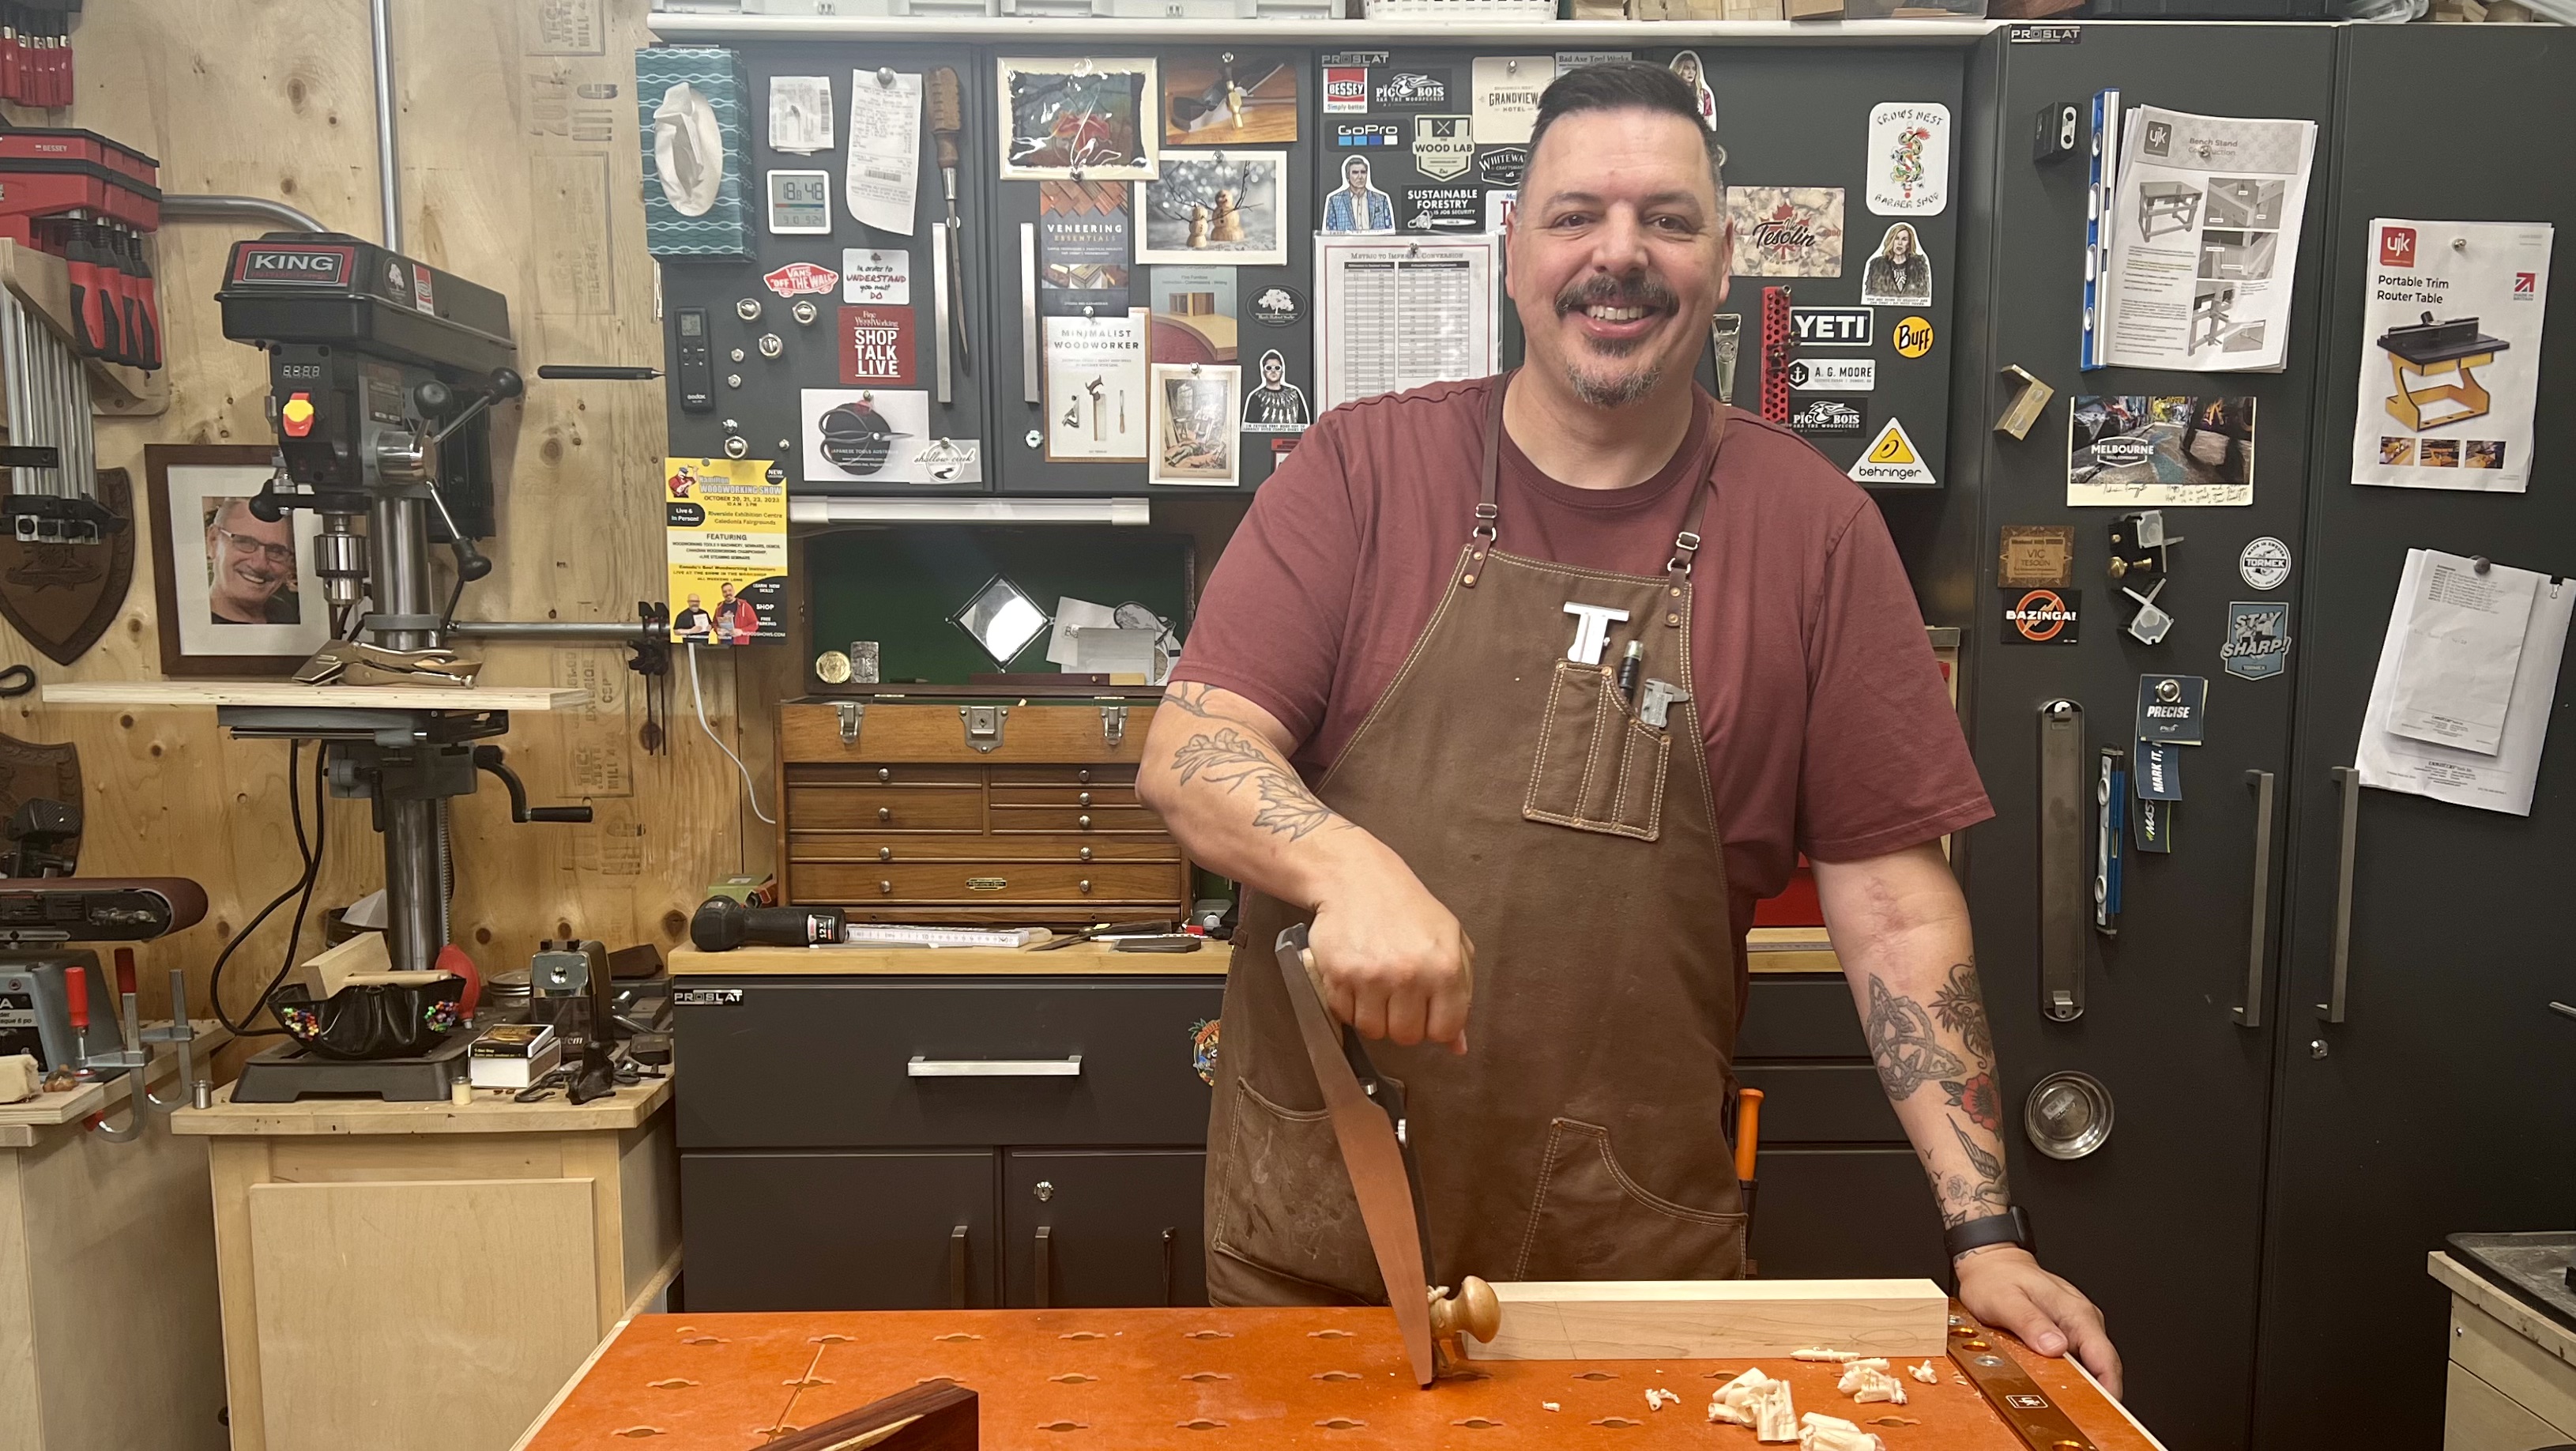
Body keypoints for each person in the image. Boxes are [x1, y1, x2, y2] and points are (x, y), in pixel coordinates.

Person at [1139, 61, 2122, 1394]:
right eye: (1575, 216)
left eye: (1666, 218)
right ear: (1513, 254)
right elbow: (1194, 747)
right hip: (1327, 1246)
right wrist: (1346, 866)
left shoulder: (1815, 533)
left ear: (1723, 257)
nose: (1620, 255)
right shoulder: (1362, 471)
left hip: (1629, 1271)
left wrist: (1987, 1232)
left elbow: (1895, 903)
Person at [204, 498, 300, 625]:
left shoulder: (287, 614)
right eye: (245, 542)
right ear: (213, 541)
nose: (259, 564)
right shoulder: (189, 629)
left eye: (276, 551)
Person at [1863, 222, 1933, 306]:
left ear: (1909, 244)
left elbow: (1925, 296)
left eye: (1904, 239)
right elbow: (1869, 296)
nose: (1899, 243)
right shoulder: (1877, 266)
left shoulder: (1919, 267)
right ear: (1891, 241)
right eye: (1896, 238)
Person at [1321, 156, 1394, 236]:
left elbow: (1389, 233)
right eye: (1355, 173)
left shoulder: (1381, 200)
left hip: (1375, 245)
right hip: (1347, 246)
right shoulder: (1335, 201)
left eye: (1363, 172)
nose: (1360, 177)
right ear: (1347, 176)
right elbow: (1330, 235)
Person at [1242, 349, 1309, 432]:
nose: (1273, 371)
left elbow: (1305, 427)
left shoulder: (1294, 394)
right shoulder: (1256, 397)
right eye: (1269, 368)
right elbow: (1249, 431)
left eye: (1277, 368)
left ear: (1282, 371)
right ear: (1263, 372)